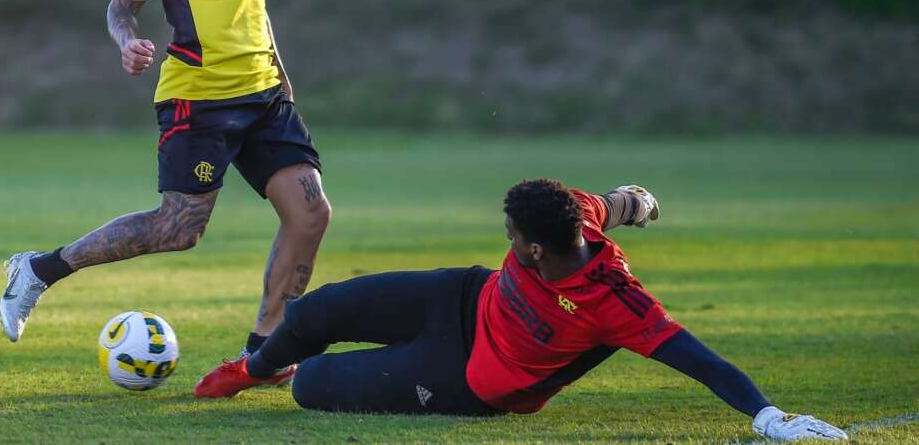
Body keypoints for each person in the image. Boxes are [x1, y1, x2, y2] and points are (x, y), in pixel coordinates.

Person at [0, 0, 332, 376]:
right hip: (198, 96)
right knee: (179, 229)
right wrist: (128, 42)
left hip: (264, 92)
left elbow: (256, 1)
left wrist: (280, 72)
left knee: (310, 214)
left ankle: (266, 351)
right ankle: (40, 269)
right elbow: (121, 5)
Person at [194, 180, 847, 441]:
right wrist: (638, 203)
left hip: (473, 377)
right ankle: (254, 368)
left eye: (510, 234)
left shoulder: (614, 301)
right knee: (312, 314)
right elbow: (613, 202)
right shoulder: (569, 212)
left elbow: (698, 358)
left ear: (536, 249)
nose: (505, 236)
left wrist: (769, 416)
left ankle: (285, 374)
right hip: (460, 296)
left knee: (313, 384)